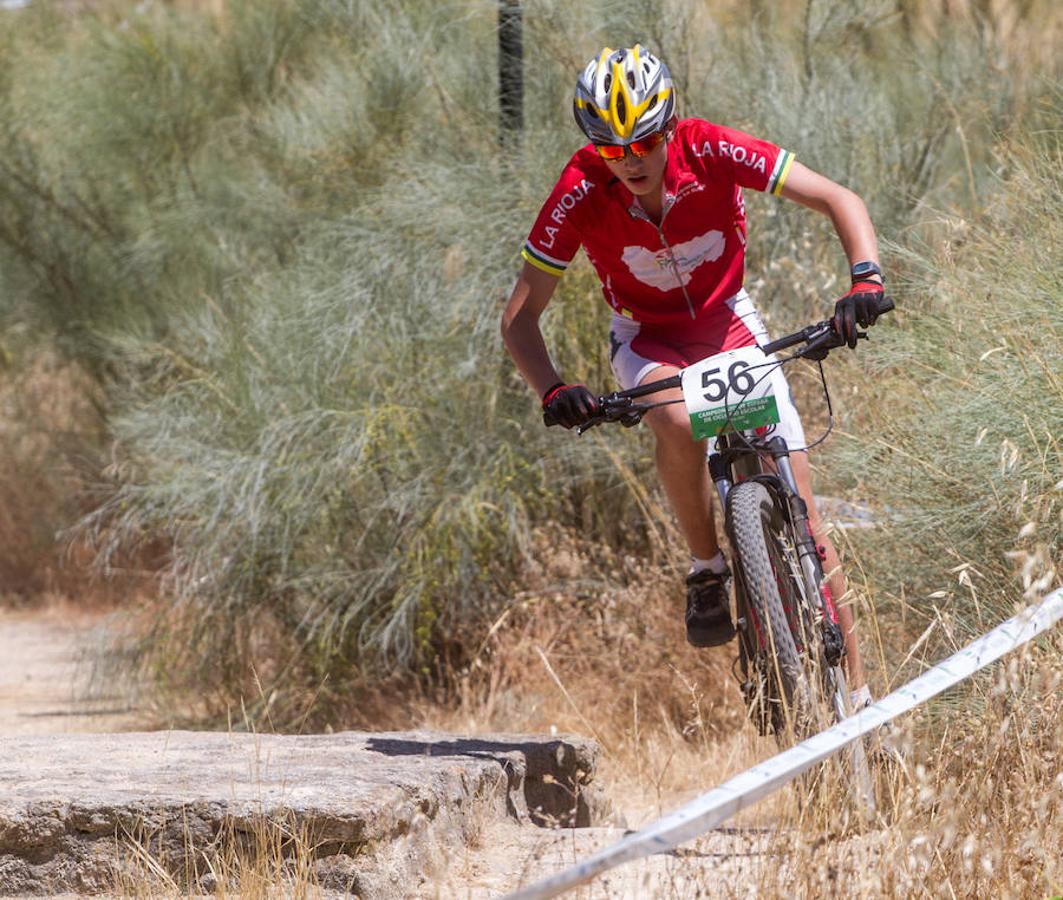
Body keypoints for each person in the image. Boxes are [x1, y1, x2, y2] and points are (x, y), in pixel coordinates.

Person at [500, 45, 886, 706]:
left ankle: (861, 707)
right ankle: (706, 567)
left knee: (811, 529)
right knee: (676, 419)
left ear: (668, 125)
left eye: (645, 139)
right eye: (610, 146)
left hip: (730, 320)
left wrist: (864, 278)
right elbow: (519, 319)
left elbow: (834, 197)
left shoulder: (709, 149)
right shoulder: (578, 190)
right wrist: (555, 389)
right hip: (649, 337)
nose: (631, 158)